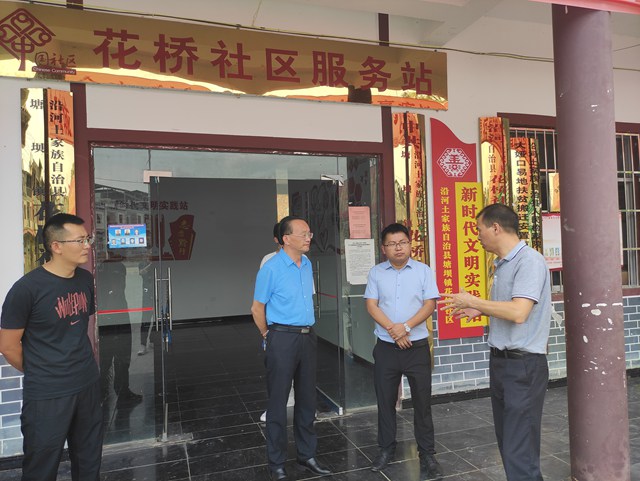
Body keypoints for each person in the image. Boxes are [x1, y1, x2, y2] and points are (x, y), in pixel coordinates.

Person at [439, 203, 551, 481]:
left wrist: (475, 301)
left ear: (496, 228)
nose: (477, 236)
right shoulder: (502, 264)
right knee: (509, 443)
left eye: (479, 229)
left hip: (523, 366)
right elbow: (509, 307)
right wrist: (479, 311)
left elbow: (519, 312)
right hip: (502, 364)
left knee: (519, 448)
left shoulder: (529, 261)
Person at [0, 213, 103, 481]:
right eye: (79, 240)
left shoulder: (84, 279)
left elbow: (79, 328)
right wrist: (42, 370)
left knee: (89, 460)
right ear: (56, 246)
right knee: (41, 467)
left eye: (87, 239)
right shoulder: (27, 289)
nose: (87, 246)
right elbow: (8, 346)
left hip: (87, 384)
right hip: (48, 394)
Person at [251, 216, 332, 481]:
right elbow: (257, 308)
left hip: (307, 337)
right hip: (282, 337)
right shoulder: (271, 268)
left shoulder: (306, 263)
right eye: (304, 234)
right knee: (278, 402)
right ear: (286, 239)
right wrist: (268, 335)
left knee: (307, 399)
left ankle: (307, 455)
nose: (309, 238)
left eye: (310, 233)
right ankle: (276, 462)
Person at [364, 223, 444, 480]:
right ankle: (386, 449)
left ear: (410, 244)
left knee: (422, 402)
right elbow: (371, 305)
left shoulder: (423, 271)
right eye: (392, 244)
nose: (398, 248)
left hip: (416, 348)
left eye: (402, 242)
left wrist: (406, 327)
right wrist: (393, 330)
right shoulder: (376, 273)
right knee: (385, 401)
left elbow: (429, 304)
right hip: (386, 348)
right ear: (383, 248)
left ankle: (427, 453)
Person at [259, 222, 294, 423]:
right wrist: (265, 331)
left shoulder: (305, 261)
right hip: (278, 327)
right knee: (278, 369)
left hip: (300, 326)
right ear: (278, 239)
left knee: (301, 371)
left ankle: (301, 405)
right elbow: (261, 300)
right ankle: (274, 408)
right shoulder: (269, 261)